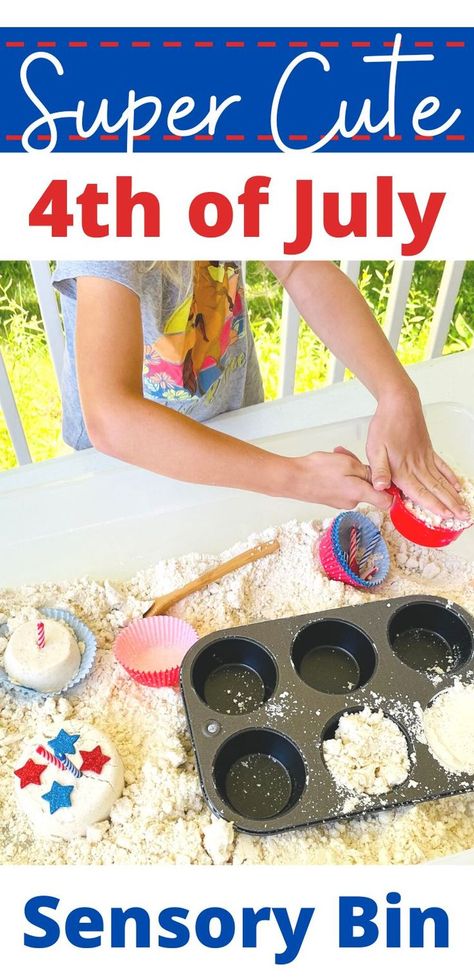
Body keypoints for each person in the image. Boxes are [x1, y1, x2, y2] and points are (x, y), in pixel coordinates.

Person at [52, 260, 468, 521]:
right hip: (129, 467)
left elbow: (299, 267)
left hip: (239, 432)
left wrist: (398, 392)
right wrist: (294, 477)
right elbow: (112, 416)